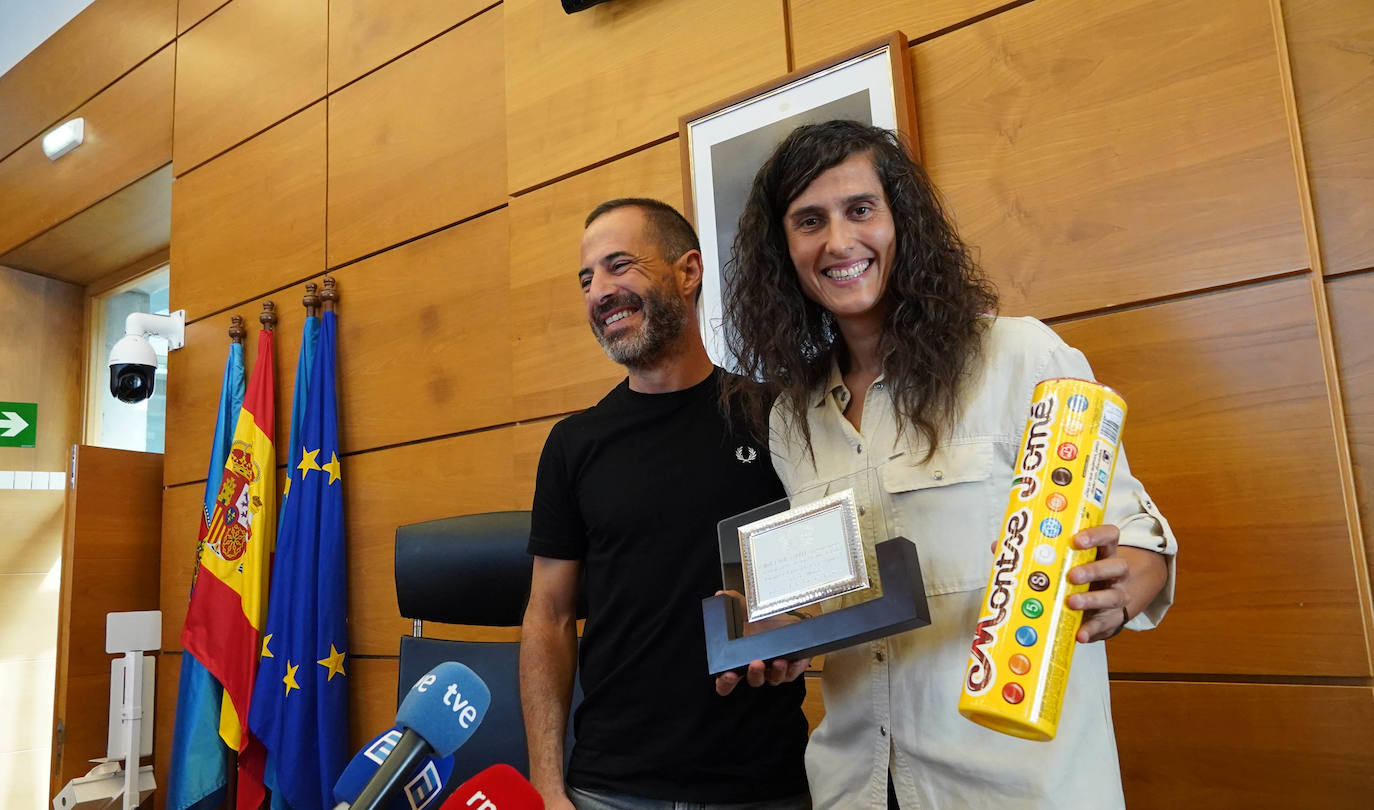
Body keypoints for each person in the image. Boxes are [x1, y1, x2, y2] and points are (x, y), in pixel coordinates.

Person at [718, 121, 1178, 809]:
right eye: (809, 221)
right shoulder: (791, 418)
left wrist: (1122, 584)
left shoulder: (1022, 358)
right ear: (784, 250)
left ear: (903, 221)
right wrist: (773, 636)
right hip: (857, 786)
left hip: (1013, 787)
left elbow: (1138, 543)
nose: (839, 242)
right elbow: (825, 595)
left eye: (860, 209)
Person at [520, 198, 812, 810]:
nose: (599, 291)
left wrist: (802, 632)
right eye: (586, 279)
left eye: (618, 266)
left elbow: (823, 591)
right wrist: (546, 786)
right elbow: (547, 618)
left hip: (763, 786)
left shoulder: (777, 417)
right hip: (609, 788)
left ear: (688, 272)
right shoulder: (574, 445)